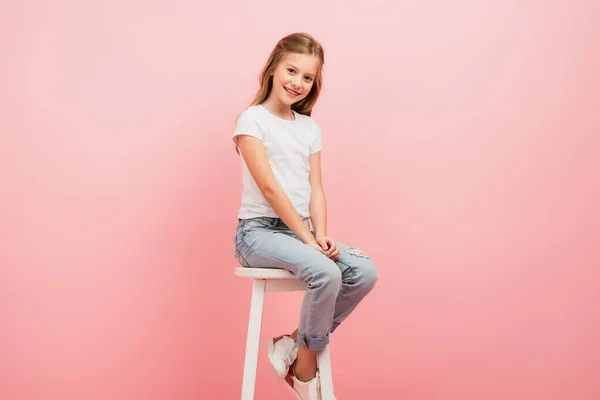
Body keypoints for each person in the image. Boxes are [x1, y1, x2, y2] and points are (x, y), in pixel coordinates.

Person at [232, 32, 378, 400]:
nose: (297, 82)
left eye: (307, 77)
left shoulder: (309, 128)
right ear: (273, 68)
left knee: (363, 271)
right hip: (257, 234)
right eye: (291, 70)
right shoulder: (252, 121)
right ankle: (305, 371)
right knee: (325, 271)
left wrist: (321, 234)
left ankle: (295, 345)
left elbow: (315, 189)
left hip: (300, 233)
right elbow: (270, 190)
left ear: (315, 84)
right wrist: (308, 240)